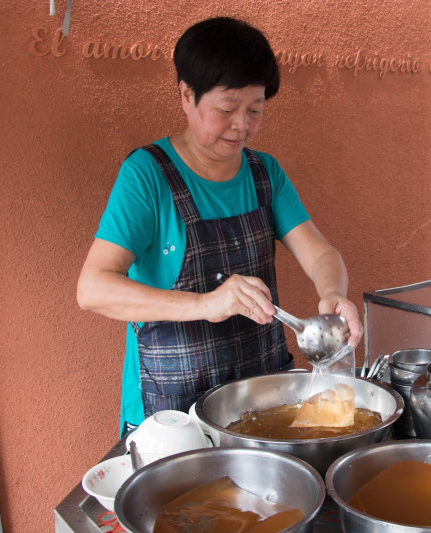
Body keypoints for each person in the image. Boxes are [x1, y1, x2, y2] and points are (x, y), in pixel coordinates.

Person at [77, 16, 362, 434]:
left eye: (255, 110)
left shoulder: (264, 172)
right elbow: (93, 288)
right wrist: (206, 304)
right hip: (174, 414)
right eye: (227, 109)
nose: (242, 126)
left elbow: (320, 252)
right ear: (186, 95)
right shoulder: (147, 176)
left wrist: (332, 293)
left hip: (259, 400)